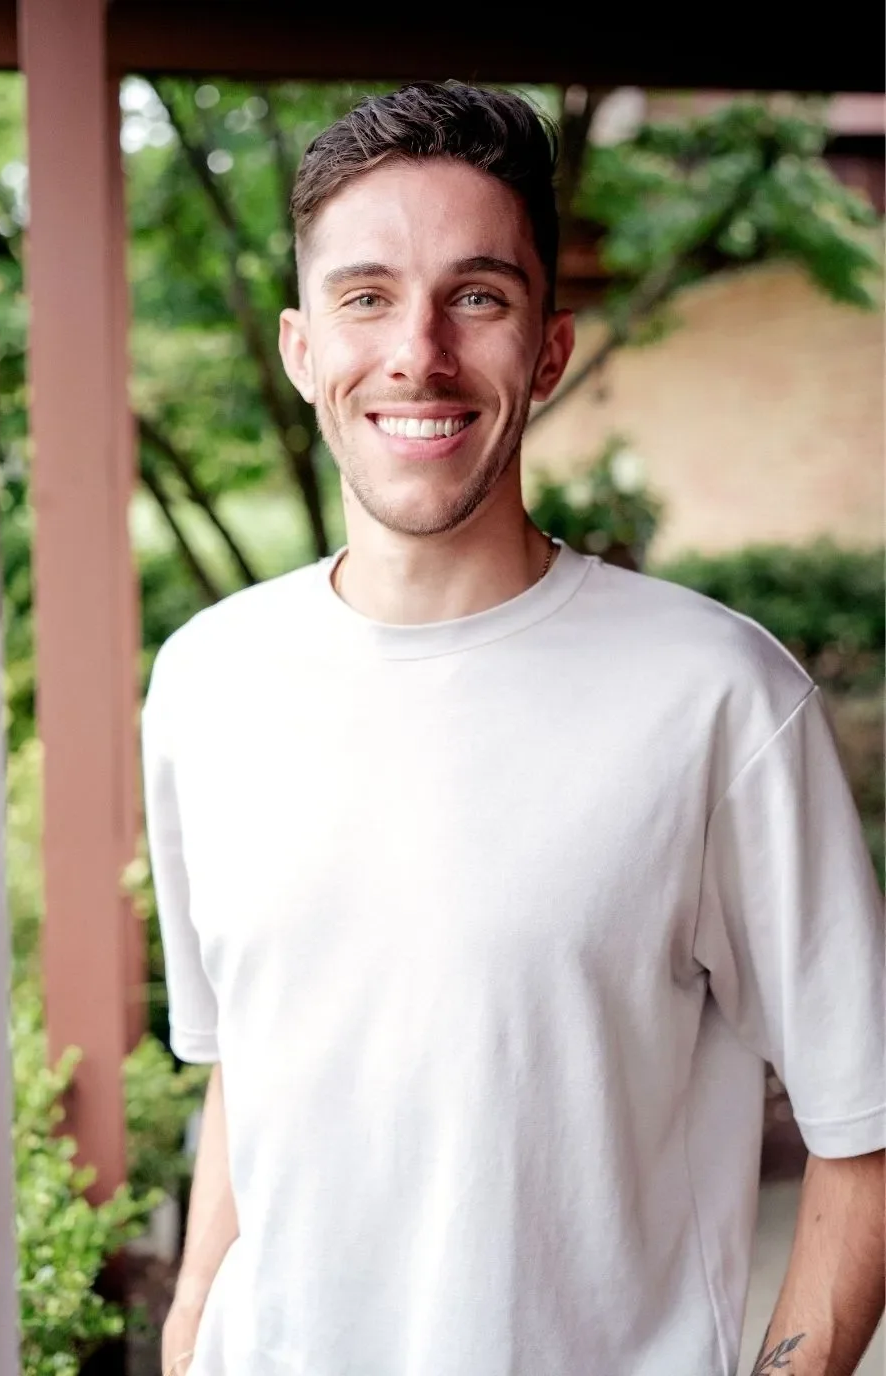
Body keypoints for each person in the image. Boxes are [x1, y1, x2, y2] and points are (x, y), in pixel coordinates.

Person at [142, 82, 884, 1376]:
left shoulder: (719, 699)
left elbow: (864, 1126)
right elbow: (247, 1071)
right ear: (301, 348)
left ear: (548, 349)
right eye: (366, 296)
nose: (417, 352)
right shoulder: (206, 681)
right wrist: (194, 1322)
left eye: (476, 296)